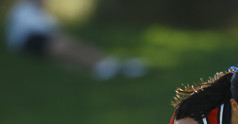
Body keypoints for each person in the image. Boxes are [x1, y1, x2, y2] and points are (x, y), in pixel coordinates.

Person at [4, 0, 147, 79]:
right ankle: (102, 65)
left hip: (39, 40)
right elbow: (38, 31)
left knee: (69, 48)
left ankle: (104, 64)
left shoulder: (38, 12)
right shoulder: (23, 10)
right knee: (65, 47)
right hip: (31, 41)